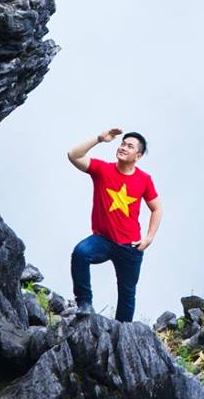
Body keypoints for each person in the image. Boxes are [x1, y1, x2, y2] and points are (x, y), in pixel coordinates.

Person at [67, 126, 162, 321]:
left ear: (138, 155)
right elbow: (73, 155)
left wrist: (149, 238)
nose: (124, 147)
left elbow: (157, 208)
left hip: (131, 246)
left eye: (130, 146)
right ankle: (84, 303)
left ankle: (123, 332)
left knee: (127, 294)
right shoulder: (102, 169)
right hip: (103, 240)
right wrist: (99, 138)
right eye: (123, 143)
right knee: (80, 253)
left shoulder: (144, 180)